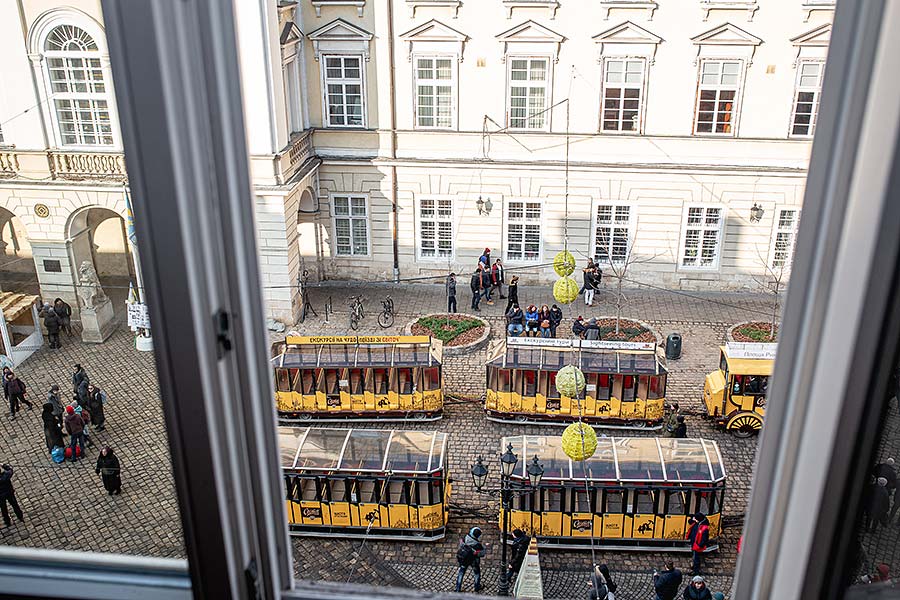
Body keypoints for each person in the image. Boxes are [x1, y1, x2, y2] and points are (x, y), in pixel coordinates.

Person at [455, 526, 484, 593]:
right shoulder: (477, 545)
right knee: (476, 573)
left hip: (464, 559)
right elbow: (482, 554)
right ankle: (477, 587)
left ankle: (458, 589)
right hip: (474, 561)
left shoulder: (465, 538)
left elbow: (461, 545)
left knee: (461, 573)